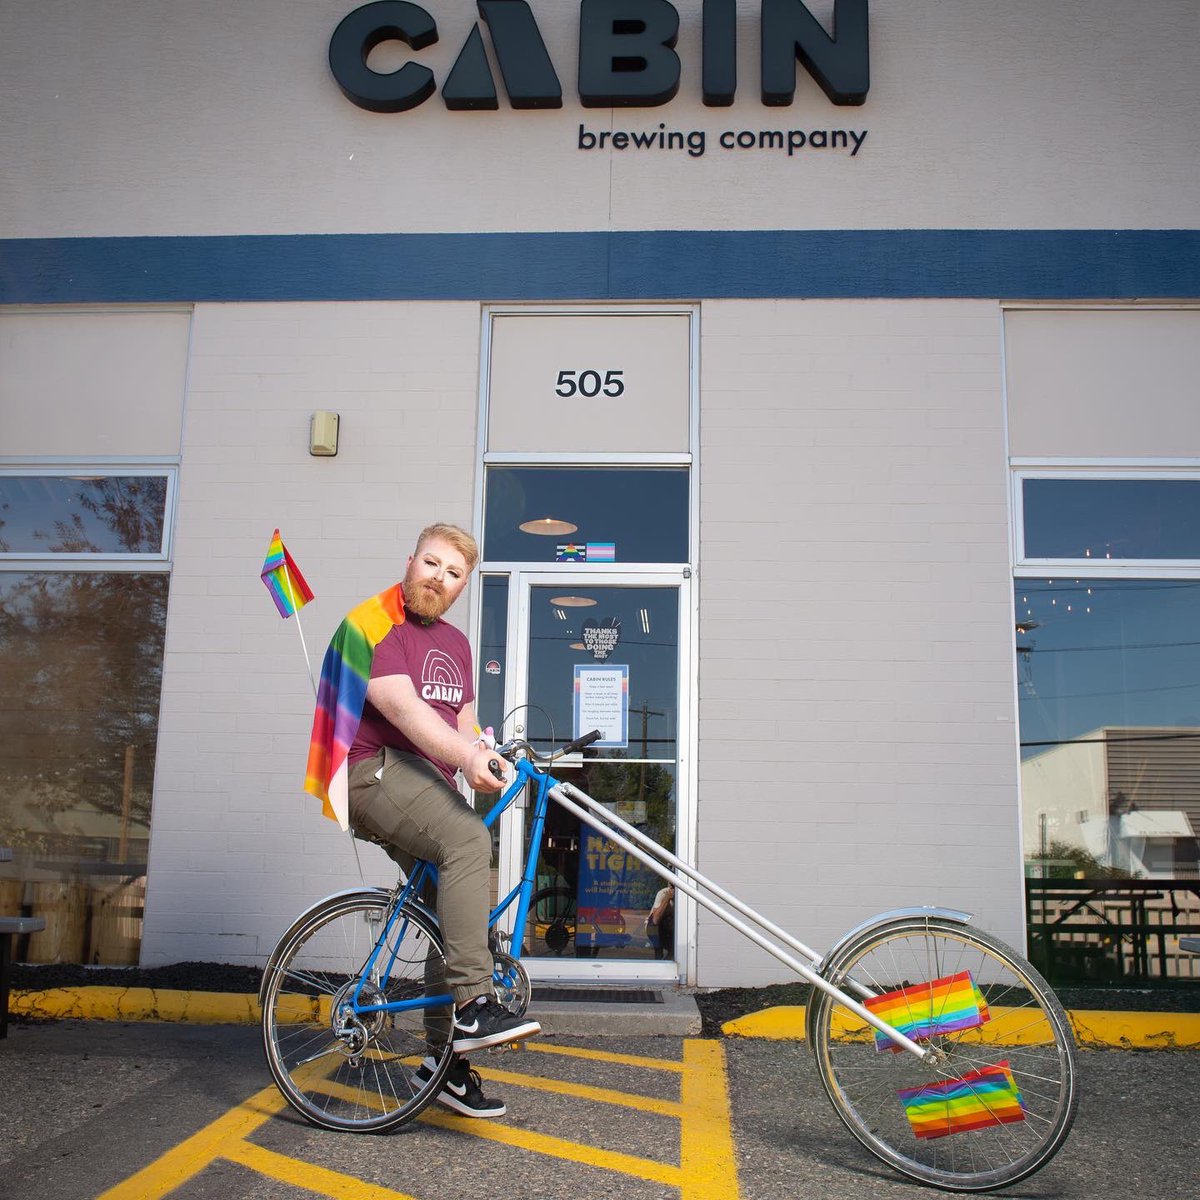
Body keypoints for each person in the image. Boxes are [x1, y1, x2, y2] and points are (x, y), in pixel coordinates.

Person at [346, 523, 539, 1119]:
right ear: (411, 561)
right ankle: (474, 1003)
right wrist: (466, 757)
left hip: (422, 779)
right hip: (371, 769)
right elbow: (406, 714)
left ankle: (444, 1064)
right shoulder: (373, 624)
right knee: (466, 837)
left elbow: (460, 723)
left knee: (452, 913)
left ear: (462, 586)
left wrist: (490, 752)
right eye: (431, 564)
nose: (439, 578)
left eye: (453, 573)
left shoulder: (456, 643)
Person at [648, 883, 675, 960]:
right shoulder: (663, 893)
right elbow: (655, 920)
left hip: (669, 928)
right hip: (656, 927)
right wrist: (666, 899)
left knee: (673, 950)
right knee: (658, 949)